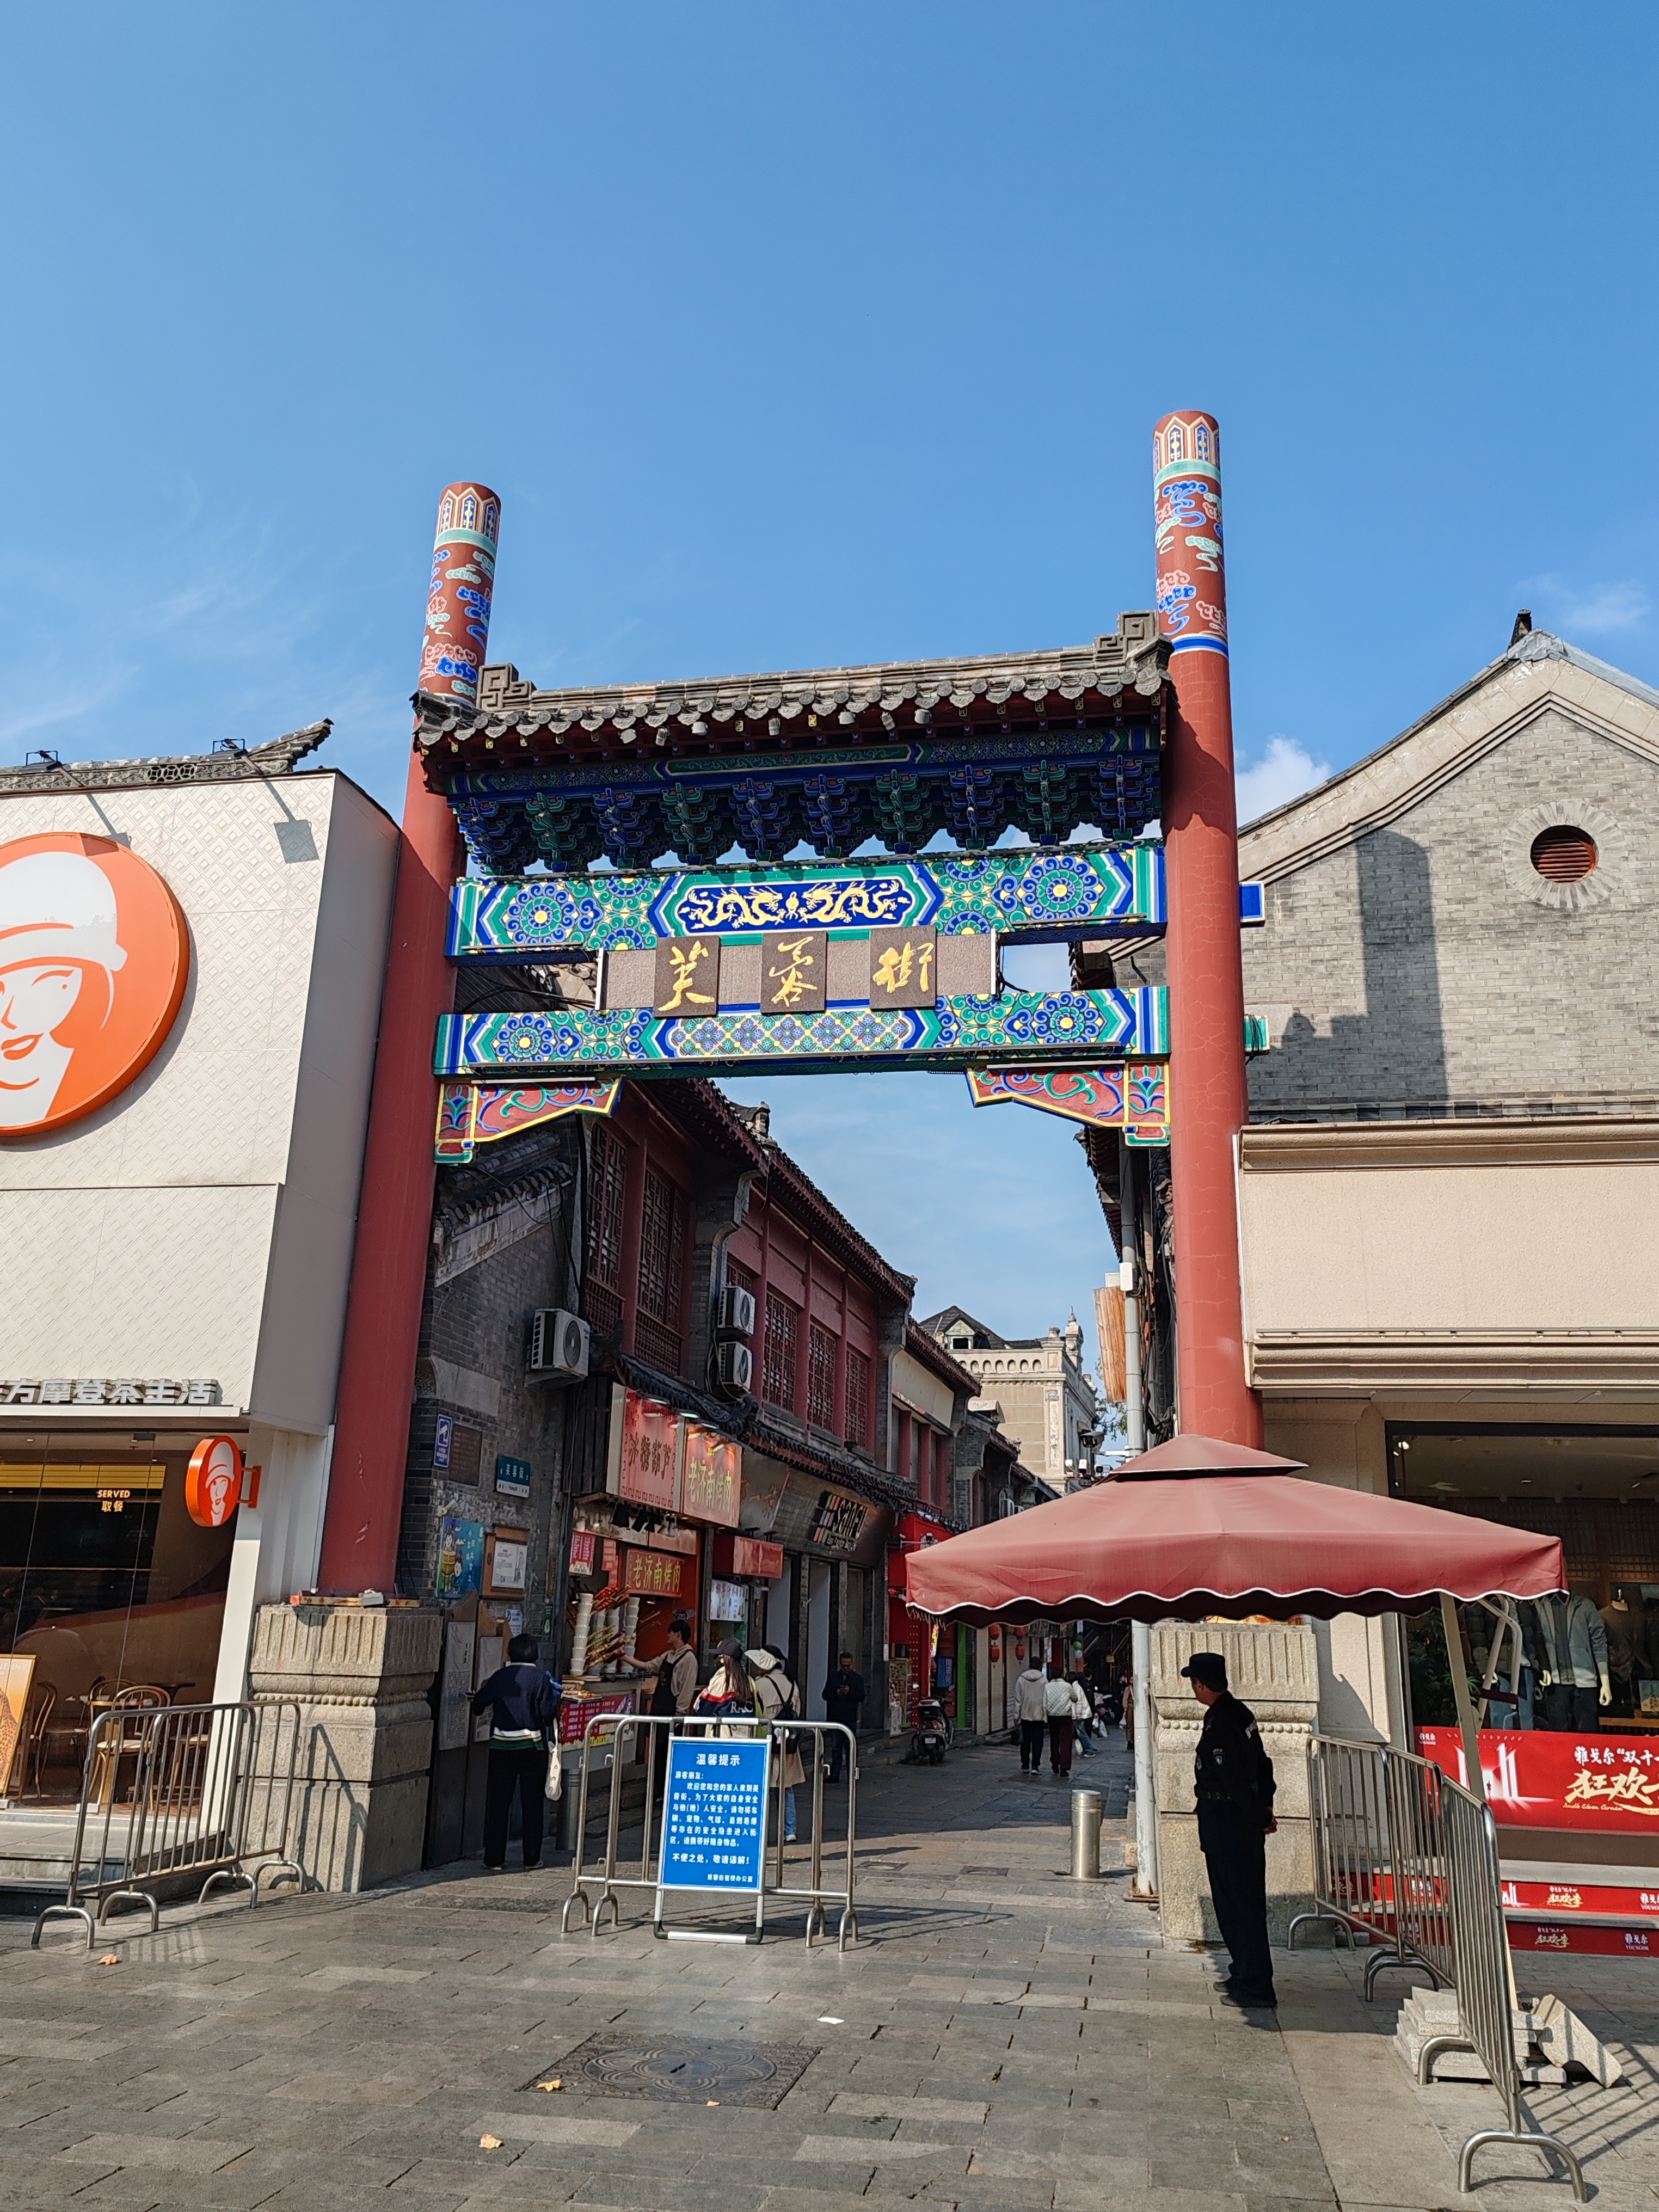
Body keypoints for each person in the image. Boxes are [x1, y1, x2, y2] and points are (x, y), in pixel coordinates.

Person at [1183, 1651, 1277, 2009]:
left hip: (1229, 1824)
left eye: (1195, 1683)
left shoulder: (1222, 1722)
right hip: (1237, 1822)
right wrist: (1265, 1808)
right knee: (1241, 1903)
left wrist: (1259, 1815)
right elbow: (1263, 1766)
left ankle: (1255, 1985)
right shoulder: (1240, 1713)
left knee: (1237, 1906)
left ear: (1201, 1686)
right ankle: (1244, 1972)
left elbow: (1235, 1781)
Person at [471, 1632, 562, 1872]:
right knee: (532, 1803)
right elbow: (547, 1715)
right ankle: (531, 1859)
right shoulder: (540, 1678)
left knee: (499, 1803)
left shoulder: (501, 1676)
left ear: (511, 1653)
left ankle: (494, 1859)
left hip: (501, 1747)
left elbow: (479, 1705)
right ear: (535, 1654)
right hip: (532, 1747)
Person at [749, 1644, 806, 1842]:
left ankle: (759, 1829)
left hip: (765, 1740)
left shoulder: (759, 1684)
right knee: (786, 1788)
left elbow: (755, 1712)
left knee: (763, 1788)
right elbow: (797, 1711)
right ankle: (790, 1830)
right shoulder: (792, 1683)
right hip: (788, 1743)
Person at [646, 1613, 699, 1791]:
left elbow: (686, 1690)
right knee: (658, 1754)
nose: (668, 1635)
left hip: (672, 1714)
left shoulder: (689, 1659)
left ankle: (666, 1791)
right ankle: (657, 1790)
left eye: (670, 1632)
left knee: (668, 1754)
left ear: (678, 1634)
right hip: (658, 1711)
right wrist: (624, 1658)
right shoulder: (668, 1655)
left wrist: (679, 1714)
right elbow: (650, 1666)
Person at [821, 1650, 864, 1781]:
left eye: (848, 1666)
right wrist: (837, 1693)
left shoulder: (857, 1679)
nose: (846, 1668)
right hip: (836, 1718)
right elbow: (826, 1695)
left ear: (852, 1664)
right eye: (844, 1666)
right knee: (836, 1748)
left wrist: (850, 1692)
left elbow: (861, 1696)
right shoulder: (834, 1677)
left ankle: (852, 1774)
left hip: (850, 1717)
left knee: (850, 1747)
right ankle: (835, 1774)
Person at [1013, 1654, 1048, 1774]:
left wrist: (1016, 1715)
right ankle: (1035, 1766)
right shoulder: (1044, 1681)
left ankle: (1025, 1764)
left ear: (1029, 1666)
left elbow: (1017, 1699)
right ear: (1040, 1667)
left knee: (1026, 1740)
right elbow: (1046, 1700)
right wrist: (1046, 1716)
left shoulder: (1021, 1680)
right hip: (1039, 1716)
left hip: (1025, 1715)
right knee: (1038, 1742)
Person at [1043, 1664, 1076, 1777]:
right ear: (1062, 1675)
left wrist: (1045, 1717)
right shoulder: (1067, 1686)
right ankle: (1064, 1767)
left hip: (1052, 1717)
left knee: (1054, 1740)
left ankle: (1055, 1763)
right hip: (1065, 1716)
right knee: (1066, 1742)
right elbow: (1075, 1698)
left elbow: (1044, 1702)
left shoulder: (1047, 1687)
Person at [1070, 1672, 1096, 1755]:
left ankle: (1089, 1750)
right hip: (1081, 1713)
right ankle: (1088, 1749)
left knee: (1081, 1733)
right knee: (1081, 1732)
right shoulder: (1077, 1687)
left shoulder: (1076, 1687)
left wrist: (1078, 1714)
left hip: (1079, 1714)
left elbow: (1079, 1702)